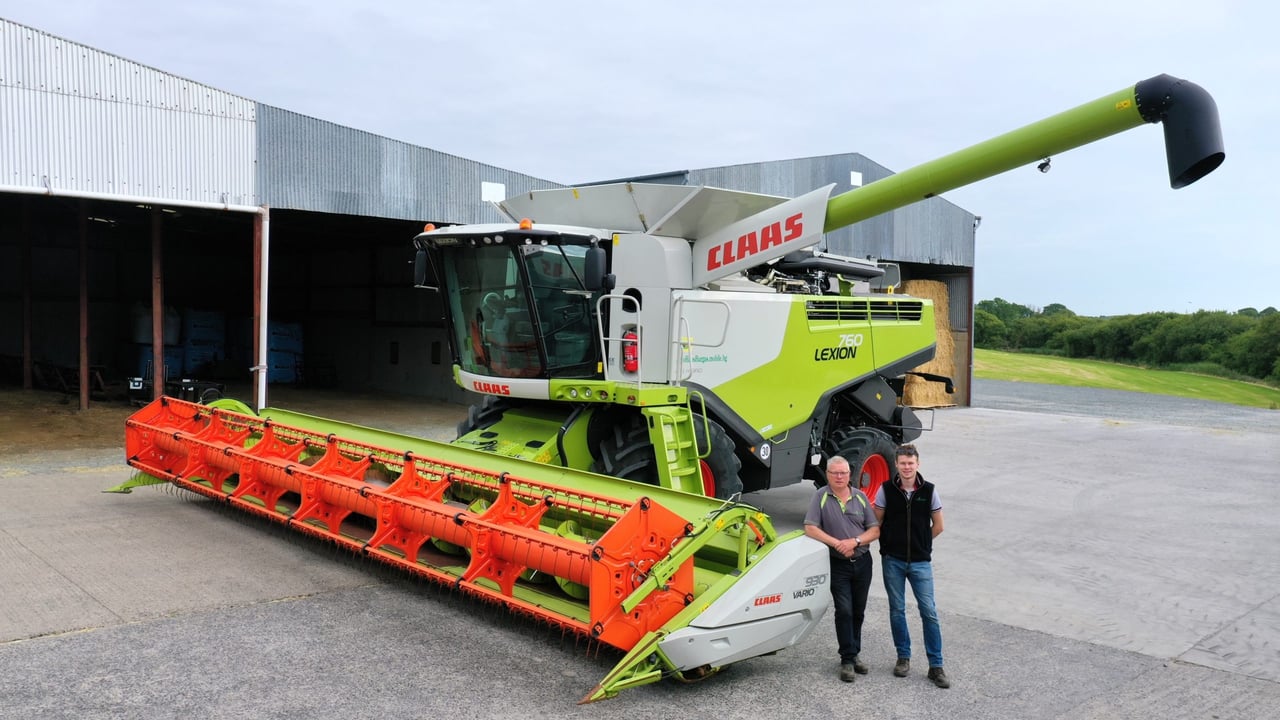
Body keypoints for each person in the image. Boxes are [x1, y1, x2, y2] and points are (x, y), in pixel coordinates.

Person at [873, 443, 950, 688]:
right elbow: (877, 522)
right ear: (896, 464)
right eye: (903, 463)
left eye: (911, 463)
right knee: (897, 610)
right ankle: (903, 658)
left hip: (920, 563)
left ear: (918, 464)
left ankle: (935, 665)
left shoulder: (929, 491)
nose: (907, 467)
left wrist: (922, 543)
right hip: (893, 561)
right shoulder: (885, 490)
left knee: (929, 611)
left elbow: (938, 525)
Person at [804, 455, 880, 683]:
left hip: (863, 562)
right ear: (827, 475)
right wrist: (837, 543)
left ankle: (854, 653)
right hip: (837, 564)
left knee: (858, 611)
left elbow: (874, 530)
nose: (839, 477)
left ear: (849, 475)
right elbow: (810, 527)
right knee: (844, 610)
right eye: (834, 473)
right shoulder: (820, 497)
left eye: (843, 473)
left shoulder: (861, 497)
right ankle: (847, 659)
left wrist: (854, 542)